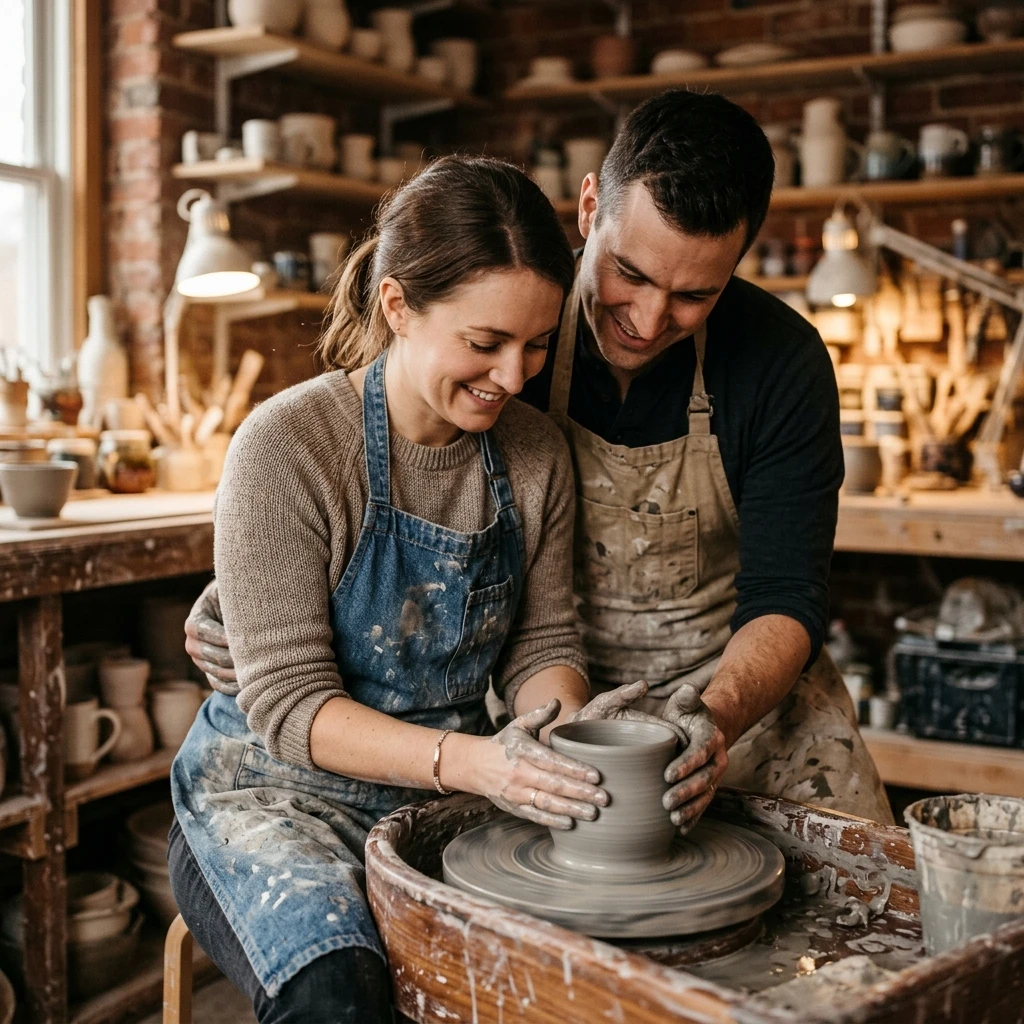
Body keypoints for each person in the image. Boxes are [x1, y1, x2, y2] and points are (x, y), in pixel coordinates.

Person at [187, 90, 893, 839]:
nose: (649, 320)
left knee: (863, 897)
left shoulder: (779, 361)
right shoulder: (516, 318)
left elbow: (787, 594)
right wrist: (256, 591)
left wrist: (714, 720)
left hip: (733, 704)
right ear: (589, 208)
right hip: (547, 715)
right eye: (630, 274)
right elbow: (372, 455)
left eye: (694, 295)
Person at [168, 156, 660, 1024]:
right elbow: (288, 706)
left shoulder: (535, 453)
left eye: (536, 344)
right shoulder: (288, 448)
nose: (514, 375)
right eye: (485, 342)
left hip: (441, 798)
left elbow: (543, 645)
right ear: (397, 306)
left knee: (563, 977)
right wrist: (479, 764)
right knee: (339, 993)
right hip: (272, 796)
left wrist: (561, 739)